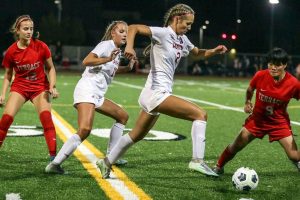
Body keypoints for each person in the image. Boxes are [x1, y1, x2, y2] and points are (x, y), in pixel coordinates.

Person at [96, 4, 227, 178]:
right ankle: (197, 160)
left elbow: (197, 53)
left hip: (153, 95)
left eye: (191, 25)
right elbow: (134, 28)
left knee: (136, 135)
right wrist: (129, 47)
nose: (189, 28)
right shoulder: (163, 33)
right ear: (177, 19)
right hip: (156, 93)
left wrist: (213, 51)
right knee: (200, 115)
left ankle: (105, 162)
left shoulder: (183, 40)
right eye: (187, 24)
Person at [45, 21, 135, 174]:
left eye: (126, 32)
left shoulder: (117, 51)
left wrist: (127, 68)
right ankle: (55, 164)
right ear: (113, 33)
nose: (125, 34)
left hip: (97, 94)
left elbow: (110, 70)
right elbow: (87, 61)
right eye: (121, 31)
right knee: (85, 129)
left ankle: (112, 156)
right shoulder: (106, 45)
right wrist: (107, 59)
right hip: (87, 89)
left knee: (122, 116)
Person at [213, 48, 300, 175]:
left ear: (285, 65)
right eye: (270, 64)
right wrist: (248, 102)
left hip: (278, 123)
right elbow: (250, 89)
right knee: (235, 145)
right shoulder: (260, 75)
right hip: (257, 120)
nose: (273, 68)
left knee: (294, 156)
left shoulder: (293, 84)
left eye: (277, 64)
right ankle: (218, 167)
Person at [0, 15, 59, 161]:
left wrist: (52, 86)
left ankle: (54, 160)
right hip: (20, 87)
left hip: (40, 88)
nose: (29, 32)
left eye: (31, 29)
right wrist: (2, 94)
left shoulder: (41, 46)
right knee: (6, 119)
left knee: (46, 119)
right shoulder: (11, 52)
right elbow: (8, 75)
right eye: (25, 29)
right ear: (17, 31)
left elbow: (51, 68)